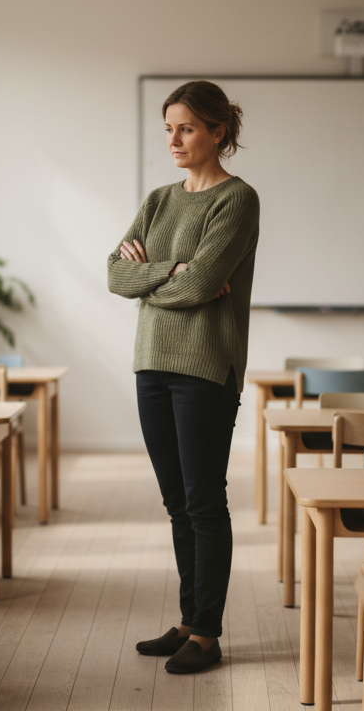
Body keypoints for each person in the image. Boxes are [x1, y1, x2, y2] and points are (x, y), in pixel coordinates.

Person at [106, 80, 259, 674]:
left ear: (218, 131)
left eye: (187, 128)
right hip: (152, 364)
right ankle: (189, 618)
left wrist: (164, 277)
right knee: (176, 503)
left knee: (203, 502)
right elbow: (116, 275)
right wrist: (178, 270)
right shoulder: (158, 200)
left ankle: (208, 634)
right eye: (168, 127)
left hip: (204, 368)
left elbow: (202, 288)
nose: (173, 139)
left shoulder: (236, 200)